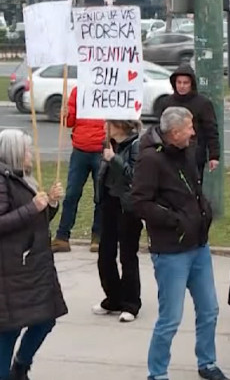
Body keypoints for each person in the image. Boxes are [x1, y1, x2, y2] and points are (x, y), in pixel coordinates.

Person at [132, 107, 229, 380]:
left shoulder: (186, 151)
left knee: (209, 309)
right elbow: (139, 202)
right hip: (171, 251)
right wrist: (175, 220)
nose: (193, 132)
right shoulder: (150, 159)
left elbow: (192, 188)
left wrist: (203, 211)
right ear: (174, 132)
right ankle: (157, 373)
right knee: (171, 318)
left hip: (199, 246)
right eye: (188, 128)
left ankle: (207, 363)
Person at [0, 129, 67, 380]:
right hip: (8, 266)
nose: (31, 154)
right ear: (14, 152)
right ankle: (1, 376)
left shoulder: (22, 178)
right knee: (10, 328)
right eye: (27, 150)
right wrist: (32, 207)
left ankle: (21, 365)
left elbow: (36, 220)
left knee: (45, 319)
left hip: (31, 263)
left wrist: (50, 203)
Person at [92, 119, 143, 322]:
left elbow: (135, 176)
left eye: (108, 124)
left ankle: (131, 303)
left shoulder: (136, 145)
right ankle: (113, 297)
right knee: (105, 254)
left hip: (127, 206)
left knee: (127, 255)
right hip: (109, 203)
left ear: (119, 126)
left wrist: (114, 159)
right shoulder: (109, 144)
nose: (104, 128)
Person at [54, 85, 105, 253]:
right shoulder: (78, 91)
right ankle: (62, 237)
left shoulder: (109, 90)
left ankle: (97, 236)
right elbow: (69, 122)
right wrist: (66, 114)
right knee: (71, 194)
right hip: (80, 150)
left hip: (102, 149)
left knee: (101, 196)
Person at [153, 66, 221, 176]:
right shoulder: (166, 102)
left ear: (191, 84)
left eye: (185, 83)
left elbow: (211, 130)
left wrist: (214, 156)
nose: (182, 86)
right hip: (170, 153)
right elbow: (159, 128)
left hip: (195, 156)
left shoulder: (203, 103)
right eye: (179, 82)